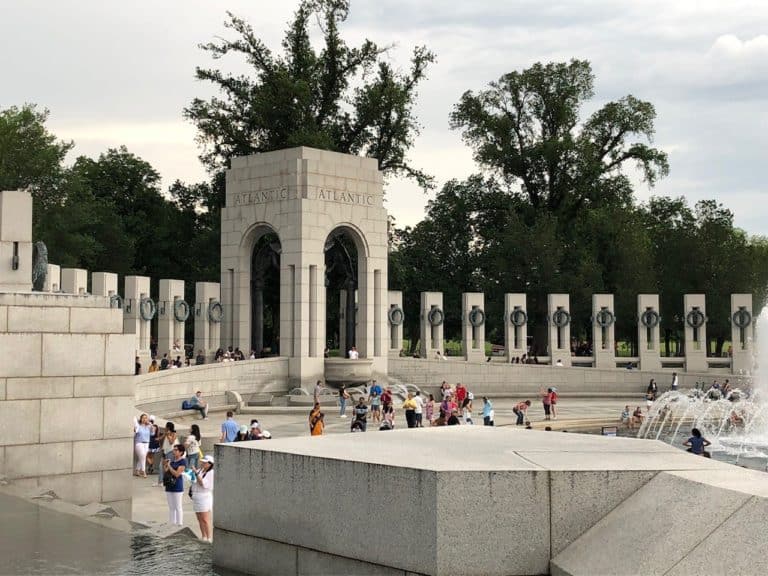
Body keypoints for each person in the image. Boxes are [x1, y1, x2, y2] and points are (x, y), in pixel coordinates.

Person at [191, 455, 214, 542]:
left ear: (210, 464)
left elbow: (203, 484)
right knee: (199, 518)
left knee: (205, 519)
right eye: (202, 462)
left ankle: (208, 538)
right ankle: (203, 536)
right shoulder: (200, 470)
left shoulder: (211, 473)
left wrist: (196, 473)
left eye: (205, 462)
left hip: (204, 497)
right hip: (196, 496)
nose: (202, 463)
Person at [163, 445, 187, 526]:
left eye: (176, 450)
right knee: (171, 506)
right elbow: (166, 471)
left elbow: (177, 474)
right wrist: (166, 464)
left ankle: (179, 523)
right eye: (174, 449)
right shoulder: (172, 461)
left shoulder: (182, 462)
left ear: (181, 452)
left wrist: (169, 466)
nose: (174, 451)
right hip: (169, 485)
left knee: (178, 506)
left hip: (177, 486)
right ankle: (172, 522)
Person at [157, 422, 180, 487]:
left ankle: (167, 481)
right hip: (165, 452)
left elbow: (171, 442)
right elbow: (161, 439)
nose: (165, 427)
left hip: (171, 452)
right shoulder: (166, 433)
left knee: (168, 467)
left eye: (166, 426)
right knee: (161, 466)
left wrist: (168, 435)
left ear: (168, 427)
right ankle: (160, 482)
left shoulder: (174, 434)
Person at [133, 413, 152, 478]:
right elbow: (135, 430)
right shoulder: (138, 426)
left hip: (146, 443)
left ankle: (137, 470)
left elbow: (153, 433)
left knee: (142, 457)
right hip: (139, 443)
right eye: (143, 418)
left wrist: (151, 424)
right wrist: (135, 428)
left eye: (146, 418)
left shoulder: (148, 426)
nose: (145, 419)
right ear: (141, 419)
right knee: (143, 456)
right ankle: (143, 471)